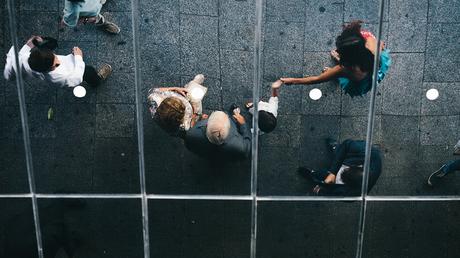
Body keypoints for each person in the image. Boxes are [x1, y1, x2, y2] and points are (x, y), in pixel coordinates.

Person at [280, 20, 391, 97]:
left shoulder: (344, 70)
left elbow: (317, 79)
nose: (337, 49)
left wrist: (293, 80)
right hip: (372, 70)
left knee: (337, 74)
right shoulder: (371, 42)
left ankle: (336, 73)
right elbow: (381, 45)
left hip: (356, 75)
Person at [3, 35, 112, 87]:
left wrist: (29, 44)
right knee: (88, 71)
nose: (58, 61)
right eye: (55, 64)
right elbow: (75, 78)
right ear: (49, 69)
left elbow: (10, 71)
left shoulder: (23, 61)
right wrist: (79, 57)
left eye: (55, 57)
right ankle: (96, 80)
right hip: (72, 70)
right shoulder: (58, 76)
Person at [298, 139, 382, 196]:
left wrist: (320, 191)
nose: (342, 170)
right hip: (350, 158)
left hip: (349, 164)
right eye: (346, 169)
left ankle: (313, 174)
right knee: (340, 151)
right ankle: (336, 148)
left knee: (322, 176)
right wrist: (333, 172)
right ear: (359, 167)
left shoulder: (353, 194)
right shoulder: (372, 154)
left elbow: (334, 194)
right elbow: (347, 143)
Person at [184, 110, 251, 159]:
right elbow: (247, 145)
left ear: (207, 124)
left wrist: (200, 121)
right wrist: (243, 125)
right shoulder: (240, 147)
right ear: (229, 127)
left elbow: (189, 147)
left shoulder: (191, 135)